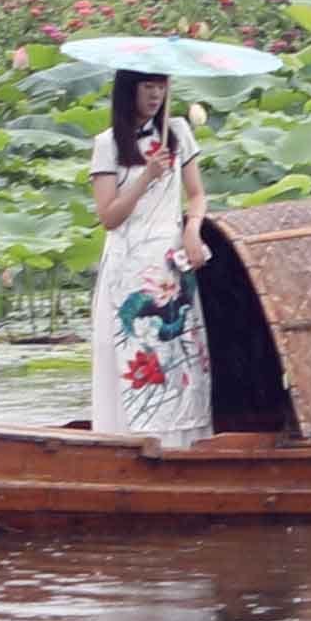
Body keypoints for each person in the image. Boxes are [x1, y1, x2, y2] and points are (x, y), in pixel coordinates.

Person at [82, 66, 214, 443]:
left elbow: (197, 194)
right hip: (128, 262)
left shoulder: (178, 133)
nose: (155, 96)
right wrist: (145, 177)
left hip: (170, 259)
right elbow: (109, 217)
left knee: (180, 353)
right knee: (131, 349)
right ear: (129, 91)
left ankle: (183, 444)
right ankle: (127, 442)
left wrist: (192, 229)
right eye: (147, 87)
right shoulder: (108, 144)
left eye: (161, 88)